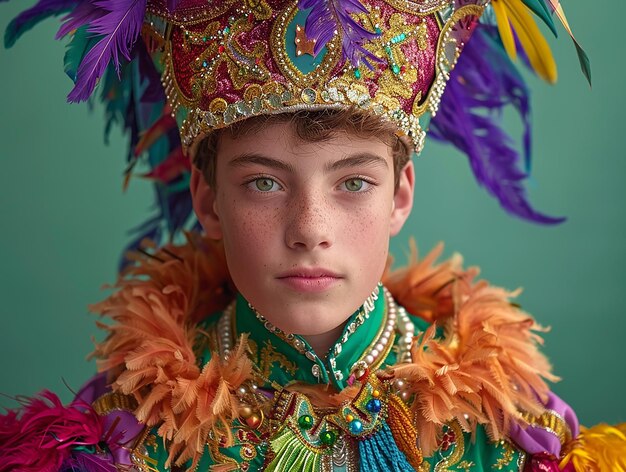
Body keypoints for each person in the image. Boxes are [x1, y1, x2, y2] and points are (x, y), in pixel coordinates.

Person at [1, 0, 624, 471]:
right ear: (208, 201)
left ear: (399, 196)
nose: (309, 231)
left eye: (353, 182)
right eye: (264, 185)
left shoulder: (509, 428)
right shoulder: (128, 430)